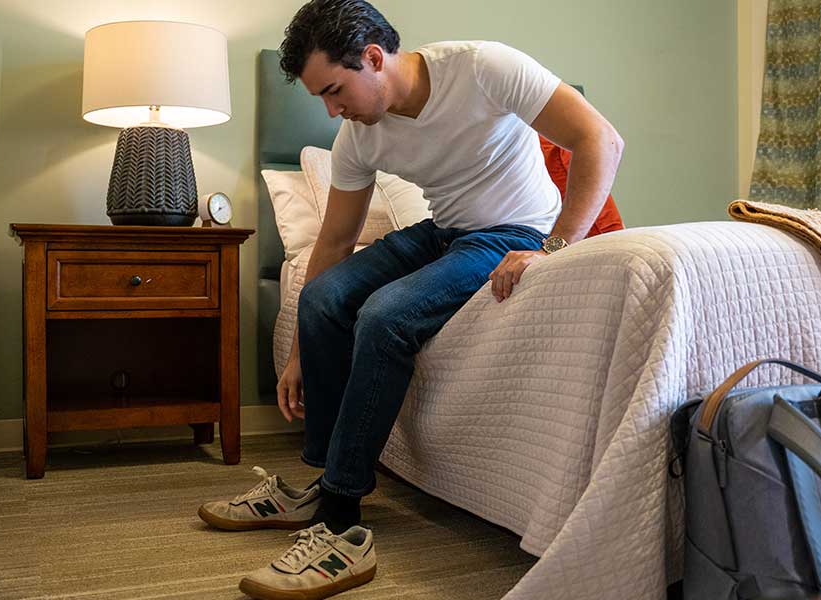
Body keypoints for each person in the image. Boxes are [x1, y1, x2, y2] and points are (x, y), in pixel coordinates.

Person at [199, 1, 623, 597]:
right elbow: (335, 241)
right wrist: (298, 350)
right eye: (321, 97)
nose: (331, 109)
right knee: (321, 297)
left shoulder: (484, 68)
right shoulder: (357, 137)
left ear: (374, 58)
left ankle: (342, 520)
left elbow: (599, 138)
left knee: (385, 316)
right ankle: (324, 476)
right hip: (443, 231)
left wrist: (554, 249)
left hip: (516, 232)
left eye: (335, 90)